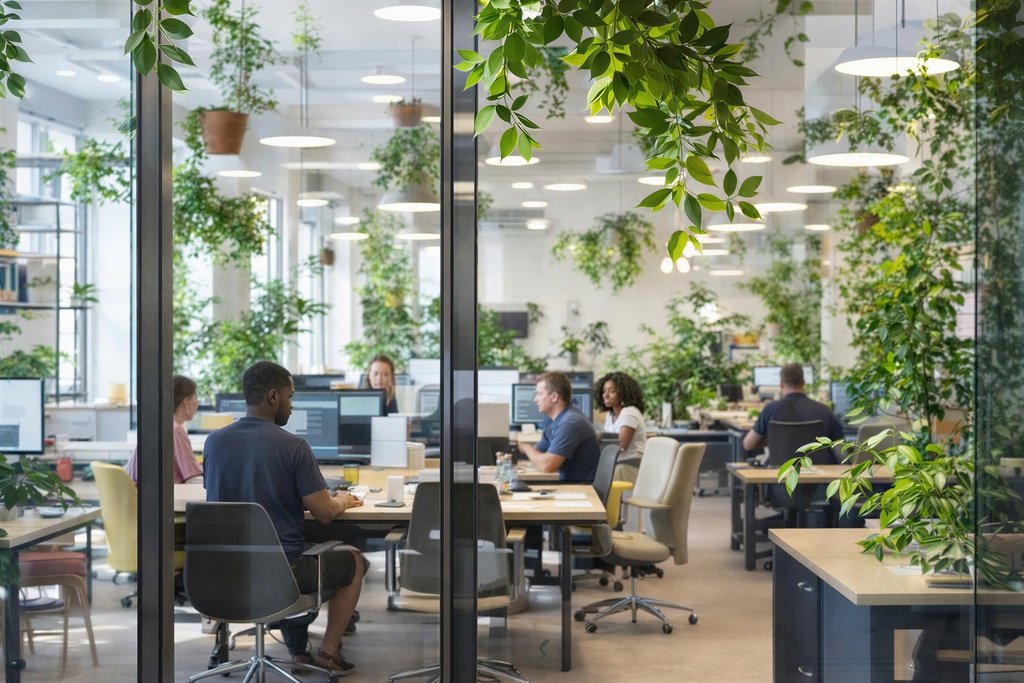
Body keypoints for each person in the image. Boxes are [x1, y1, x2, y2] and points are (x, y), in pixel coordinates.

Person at [203, 361, 365, 677]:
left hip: (226, 571)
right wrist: (342, 500)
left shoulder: (213, 442)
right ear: (273, 396)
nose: (292, 405)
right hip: (283, 573)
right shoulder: (293, 446)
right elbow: (324, 513)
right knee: (355, 561)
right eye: (290, 397)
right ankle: (329, 653)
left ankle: (297, 646)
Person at [517, 371, 601, 482]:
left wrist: (526, 448)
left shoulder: (570, 423)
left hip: (581, 489)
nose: (535, 399)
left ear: (554, 396)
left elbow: (548, 466)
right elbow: (540, 451)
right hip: (567, 484)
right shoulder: (551, 419)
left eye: (539, 394)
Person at [742, 363, 844, 452]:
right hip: (819, 470)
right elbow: (841, 450)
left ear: (781, 384)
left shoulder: (770, 410)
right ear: (803, 383)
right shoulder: (824, 410)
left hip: (781, 470)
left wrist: (776, 440)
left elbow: (748, 444)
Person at [124, 374, 203, 486]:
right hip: (160, 500)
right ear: (186, 402)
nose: (197, 404)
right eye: (196, 398)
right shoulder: (174, 430)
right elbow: (192, 477)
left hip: (140, 498)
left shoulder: (158, 425)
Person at [594, 371, 647, 483]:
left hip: (630, 464)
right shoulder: (611, 414)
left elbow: (621, 445)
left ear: (623, 393)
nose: (606, 395)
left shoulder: (629, 412)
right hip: (617, 462)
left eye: (612, 391)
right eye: (604, 391)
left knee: (596, 478)